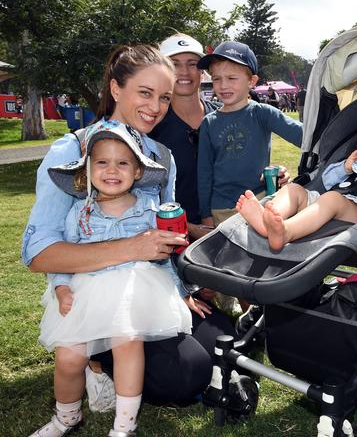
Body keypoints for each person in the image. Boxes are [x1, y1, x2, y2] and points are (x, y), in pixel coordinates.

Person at [22, 45, 235, 421]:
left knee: (225, 339)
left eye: (164, 97)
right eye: (145, 93)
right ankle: (97, 362)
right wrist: (132, 247)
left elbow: (165, 236)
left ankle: (113, 360)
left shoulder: (160, 157)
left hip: (146, 289)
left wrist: (178, 291)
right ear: (116, 89)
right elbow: (39, 253)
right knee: (184, 376)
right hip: (91, 292)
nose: (155, 107)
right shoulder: (72, 150)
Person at [31, 121, 193, 437]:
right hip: (87, 289)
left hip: (136, 288)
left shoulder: (149, 207)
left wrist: (181, 290)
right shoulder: (79, 212)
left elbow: (165, 253)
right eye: (102, 162)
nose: (112, 170)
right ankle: (66, 417)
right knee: (68, 356)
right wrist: (62, 287)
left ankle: (124, 426)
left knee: (126, 341)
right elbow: (64, 255)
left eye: (122, 163)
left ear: (136, 172)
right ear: (88, 170)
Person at [236, 109, 357, 251]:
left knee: (332, 199)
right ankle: (266, 221)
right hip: (328, 201)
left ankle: (285, 232)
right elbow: (326, 180)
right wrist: (346, 167)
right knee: (293, 189)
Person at [196, 41, 302, 227]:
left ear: (251, 81)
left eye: (231, 78)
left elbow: (304, 136)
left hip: (260, 201)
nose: (223, 85)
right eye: (216, 79)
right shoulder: (208, 123)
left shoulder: (263, 113)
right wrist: (206, 213)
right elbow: (204, 172)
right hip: (222, 209)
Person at [149, 33, 217, 241]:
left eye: (192, 63)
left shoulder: (225, 117)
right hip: (174, 241)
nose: (184, 72)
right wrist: (190, 228)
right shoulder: (151, 125)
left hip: (232, 227)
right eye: (175, 64)